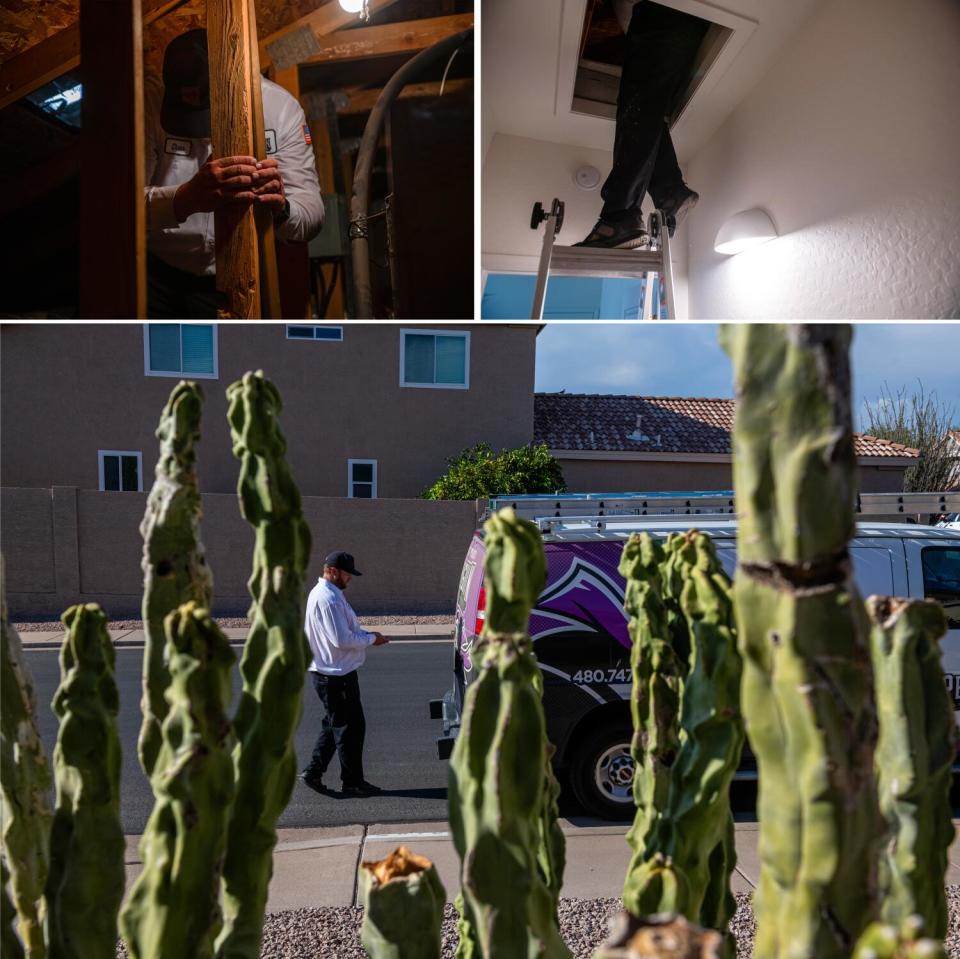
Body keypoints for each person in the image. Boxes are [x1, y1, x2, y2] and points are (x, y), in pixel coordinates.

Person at [144, 28, 325, 317]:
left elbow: (313, 215)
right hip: (158, 277)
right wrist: (185, 199)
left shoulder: (279, 109)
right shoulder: (149, 103)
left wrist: (281, 208)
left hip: (242, 278)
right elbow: (119, 212)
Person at [577, 0, 709, 248]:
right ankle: (638, 207)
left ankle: (635, 208)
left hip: (665, 17)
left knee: (638, 105)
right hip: (666, 18)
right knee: (639, 106)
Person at [300, 550, 389, 798]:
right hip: (334, 674)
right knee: (350, 729)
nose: (349, 579)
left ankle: (313, 771)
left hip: (333, 671)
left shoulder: (329, 595)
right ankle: (351, 782)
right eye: (347, 574)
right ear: (332, 571)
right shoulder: (327, 598)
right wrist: (372, 638)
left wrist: (367, 636)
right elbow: (340, 639)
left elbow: (342, 634)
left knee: (335, 724)